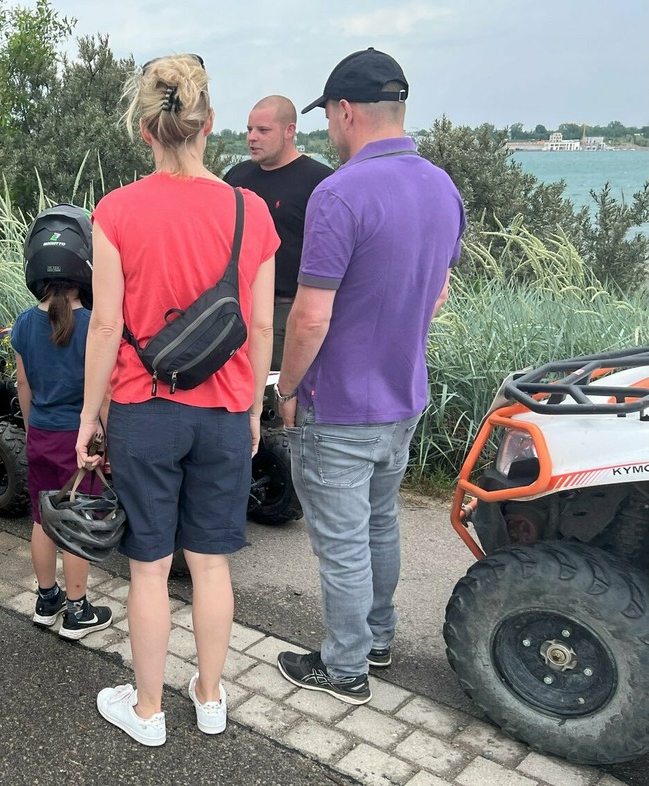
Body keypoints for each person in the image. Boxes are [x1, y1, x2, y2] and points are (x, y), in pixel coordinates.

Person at [75, 53, 279, 746]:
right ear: (208, 123)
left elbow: (105, 325)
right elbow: (259, 326)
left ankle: (147, 710)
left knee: (150, 567)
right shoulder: (250, 211)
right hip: (223, 411)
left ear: (145, 130)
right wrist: (251, 408)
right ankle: (211, 698)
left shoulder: (115, 210)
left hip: (145, 409)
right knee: (212, 564)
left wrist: (90, 414)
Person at [273, 48, 466, 705]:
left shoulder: (339, 193)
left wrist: (286, 387)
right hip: (403, 396)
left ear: (346, 111)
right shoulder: (441, 187)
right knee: (380, 524)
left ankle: (345, 668)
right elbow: (437, 292)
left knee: (343, 545)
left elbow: (309, 317)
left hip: (339, 405)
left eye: (328, 114)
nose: (329, 126)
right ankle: (377, 640)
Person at [12, 204, 113, 640]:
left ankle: (46, 599)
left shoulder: (23, 323)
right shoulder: (94, 325)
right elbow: (105, 393)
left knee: (43, 518)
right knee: (77, 521)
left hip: (41, 434)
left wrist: (31, 427)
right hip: (81, 441)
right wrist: (109, 440)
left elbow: (23, 385)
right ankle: (77, 611)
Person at [223, 95, 332, 370]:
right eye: (249, 129)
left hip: (287, 309)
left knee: (276, 389)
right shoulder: (236, 178)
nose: (252, 138)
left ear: (289, 131)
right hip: (237, 306)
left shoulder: (320, 182)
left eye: (263, 130)